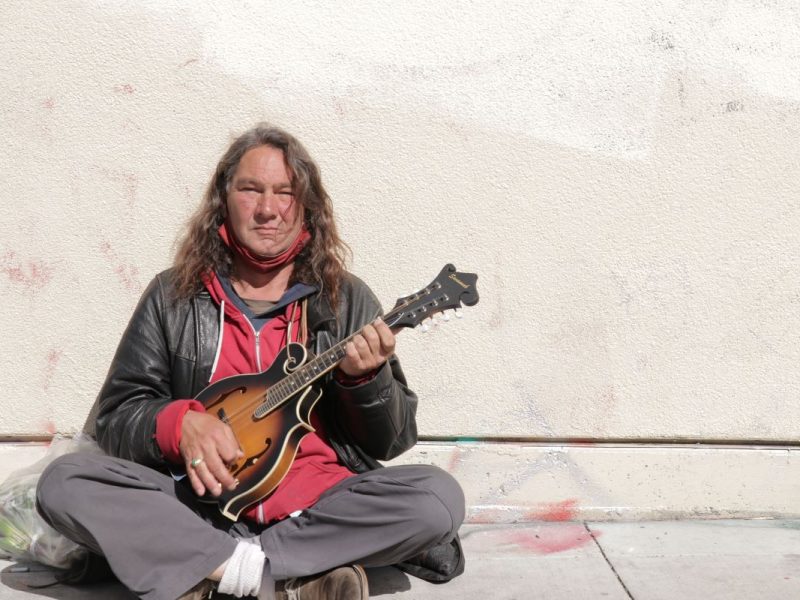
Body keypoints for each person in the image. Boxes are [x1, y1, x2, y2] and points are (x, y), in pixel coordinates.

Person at [35, 124, 465, 600]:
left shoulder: (346, 299)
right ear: (224, 199)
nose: (267, 209)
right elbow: (118, 417)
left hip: (318, 505)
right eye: (250, 190)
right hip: (195, 505)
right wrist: (178, 425)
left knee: (438, 499)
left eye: (285, 192)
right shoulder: (173, 296)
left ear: (307, 206)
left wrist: (366, 380)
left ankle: (218, 569)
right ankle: (290, 575)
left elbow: (392, 441)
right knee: (63, 483)